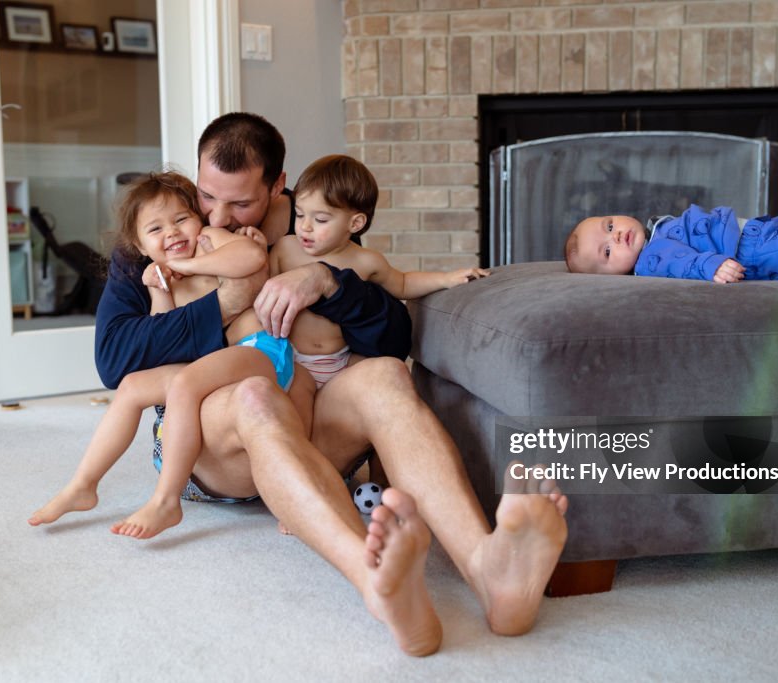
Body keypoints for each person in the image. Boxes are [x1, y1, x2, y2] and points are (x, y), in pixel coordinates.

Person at [92, 112, 569, 656]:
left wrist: (328, 283)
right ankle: (376, 585)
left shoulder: (316, 216)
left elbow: (392, 336)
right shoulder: (161, 232)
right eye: (206, 195)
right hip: (214, 440)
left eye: (241, 203)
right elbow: (114, 360)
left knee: (386, 376)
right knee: (255, 393)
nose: (213, 216)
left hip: (312, 419)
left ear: (278, 186)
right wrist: (226, 302)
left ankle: (491, 571)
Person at [28, 172, 303, 539]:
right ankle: (82, 485)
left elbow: (251, 255)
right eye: (155, 229)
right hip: (215, 366)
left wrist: (189, 267)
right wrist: (160, 288)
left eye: (180, 220)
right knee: (131, 387)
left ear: (198, 219)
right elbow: (164, 341)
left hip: (260, 352)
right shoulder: (156, 275)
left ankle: (166, 501)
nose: (172, 233)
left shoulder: (210, 242)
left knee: (186, 385)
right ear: (140, 247)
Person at [272, 154, 488, 386]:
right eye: (300, 214)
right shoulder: (285, 248)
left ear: (355, 224)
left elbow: (403, 283)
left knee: (393, 376)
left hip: (342, 360)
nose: (304, 227)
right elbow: (262, 292)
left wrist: (446, 278)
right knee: (298, 401)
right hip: (293, 359)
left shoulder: (366, 260)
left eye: (321, 220)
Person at [564, 204, 778, 282]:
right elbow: (681, 263)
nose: (615, 235)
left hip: (760, 231)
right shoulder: (651, 258)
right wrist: (711, 265)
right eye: (607, 251)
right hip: (753, 253)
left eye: (609, 225)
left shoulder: (656, 232)